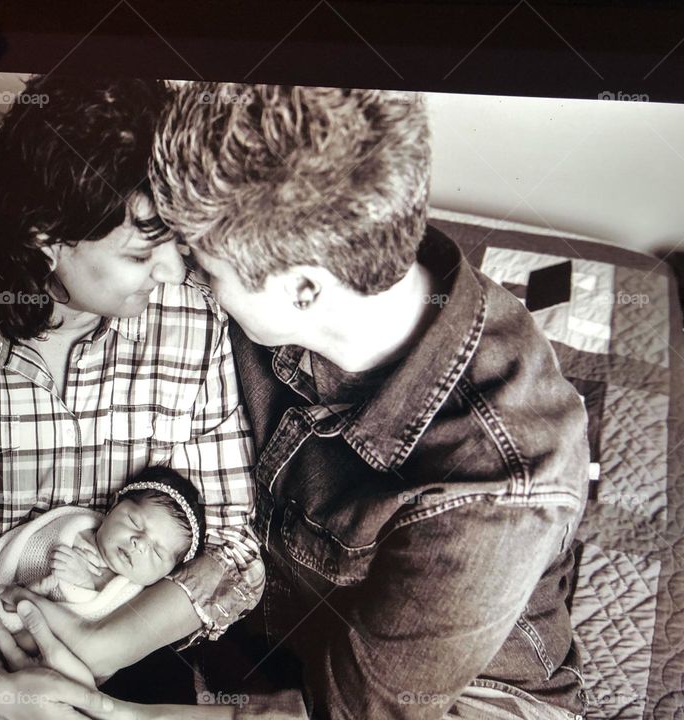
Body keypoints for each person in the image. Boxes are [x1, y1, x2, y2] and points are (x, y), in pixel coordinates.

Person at [68, 83, 588, 719]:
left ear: (304, 290)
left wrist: (118, 715)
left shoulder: (498, 484)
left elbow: (352, 714)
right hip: (281, 634)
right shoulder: (313, 261)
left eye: (205, 266)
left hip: (465, 700)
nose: (177, 274)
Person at [0, 76, 264, 719]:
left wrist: (101, 652)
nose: (173, 272)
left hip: (134, 637)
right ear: (46, 237)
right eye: (143, 254)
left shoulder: (191, 318)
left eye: (179, 242)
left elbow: (230, 541)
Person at [0, 466, 206, 631]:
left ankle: (29, 599)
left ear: (168, 573)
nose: (140, 544)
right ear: (115, 504)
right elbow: (31, 543)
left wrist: (83, 586)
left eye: (157, 553)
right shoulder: (73, 523)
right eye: (135, 523)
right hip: (1, 600)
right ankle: (20, 597)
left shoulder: (133, 596)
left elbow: (96, 624)